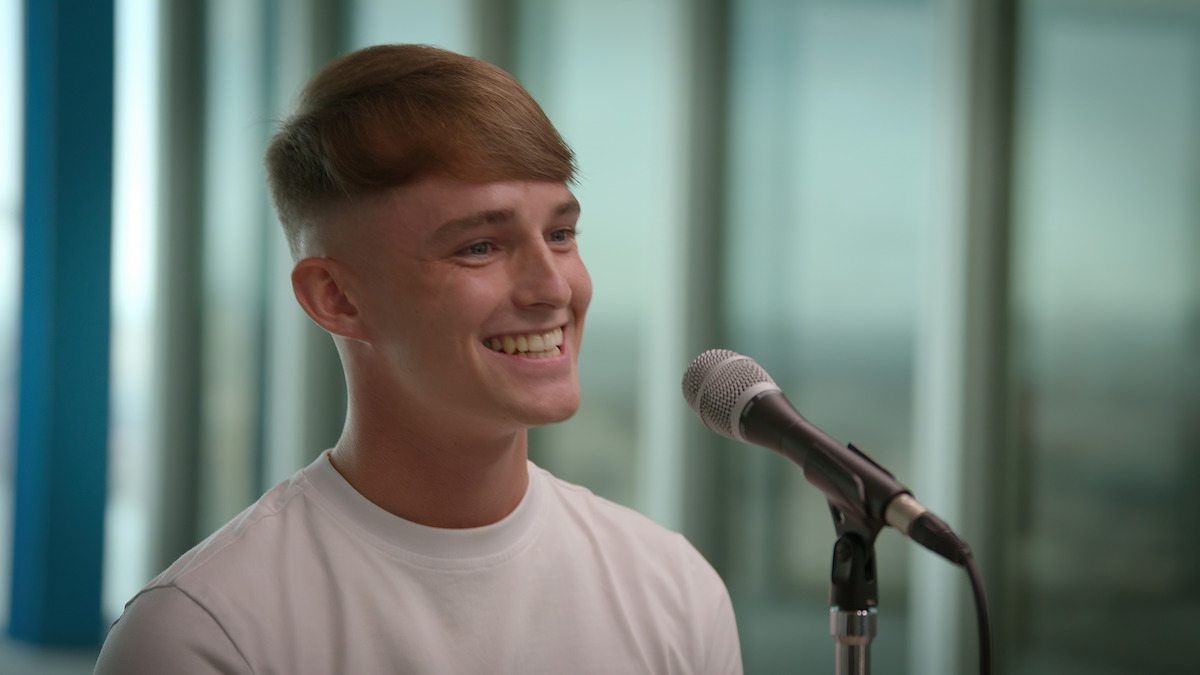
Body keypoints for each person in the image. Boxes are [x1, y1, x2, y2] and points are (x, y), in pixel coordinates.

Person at [94, 44, 742, 674]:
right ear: (337, 297)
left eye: (561, 234)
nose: (554, 288)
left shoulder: (675, 591)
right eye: (482, 246)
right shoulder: (203, 637)